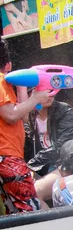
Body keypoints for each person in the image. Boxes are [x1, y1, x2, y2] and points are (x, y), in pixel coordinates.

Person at [0, 39, 48, 214]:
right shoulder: (0, 82)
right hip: (7, 157)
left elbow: (23, 116)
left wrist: (22, 89)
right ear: (7, 64)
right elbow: (11, 115)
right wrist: (36, 98)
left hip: (7, 157)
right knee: (31, 211)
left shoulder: (6, 85)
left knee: (15, 212)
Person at [26, 96, 73, 208]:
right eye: (43, 90)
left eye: (51, 90)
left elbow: (62, 145)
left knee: (34, 192)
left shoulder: (65, 111)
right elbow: (27, 146)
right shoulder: (30, 116)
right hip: (49, 165)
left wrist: (31, 165)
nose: (49, 94)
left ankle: (51, 224)